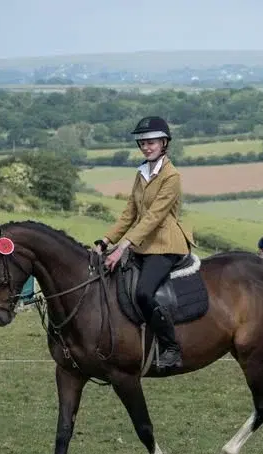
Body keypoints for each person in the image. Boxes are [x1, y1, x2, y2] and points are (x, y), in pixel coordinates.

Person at [94, 116, 193, 372]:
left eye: (151, 142)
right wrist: (106, 241)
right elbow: (130, 213)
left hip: (164, 245)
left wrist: (122, 248)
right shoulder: (142, 173)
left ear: (164, 143)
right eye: (143, 143)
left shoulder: (172, 176)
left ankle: (171, 347)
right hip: (141, 244)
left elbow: (153, 217)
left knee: (143, 292)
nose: (146, 147)